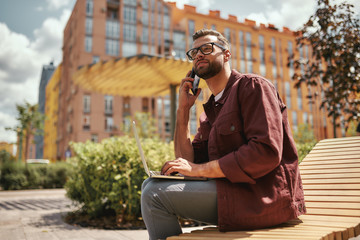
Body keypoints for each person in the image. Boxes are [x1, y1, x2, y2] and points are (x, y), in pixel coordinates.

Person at [141, 29, 306, 240]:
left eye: (206, 48)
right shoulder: (210, 112)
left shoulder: (253, 86)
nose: (198, 54)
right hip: (232, 194)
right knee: (150, 185)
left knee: (154, 194)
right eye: (194, 52)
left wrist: (198, 170)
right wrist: (183, 111)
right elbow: (188, 162)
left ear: (226, 54)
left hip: (263, 199)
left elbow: (266, 152)